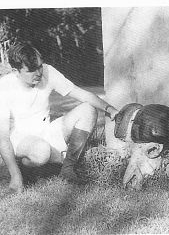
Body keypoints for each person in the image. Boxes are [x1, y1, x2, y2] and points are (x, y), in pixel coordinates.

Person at [0, 42, 119, 193]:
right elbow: (2, 137)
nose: (38, 73)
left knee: (88, 110)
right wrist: (14, 175)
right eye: (31, 70)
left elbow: (80, 93)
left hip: (47, 130)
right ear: (15, 71)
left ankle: (68, 169)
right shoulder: (4, 87)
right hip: (20, 139)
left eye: (39, 66)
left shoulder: (48, 72)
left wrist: (111, 109)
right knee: (41, 152)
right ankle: (25, 168)